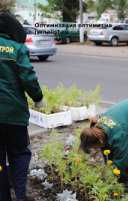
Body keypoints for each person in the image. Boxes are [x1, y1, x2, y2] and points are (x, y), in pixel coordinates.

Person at [0, 10, 44, 201]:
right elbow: (28, 76)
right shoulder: (17, 48)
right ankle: (20, 194)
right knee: (19, 154)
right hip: (14, 115)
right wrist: (38, 97)